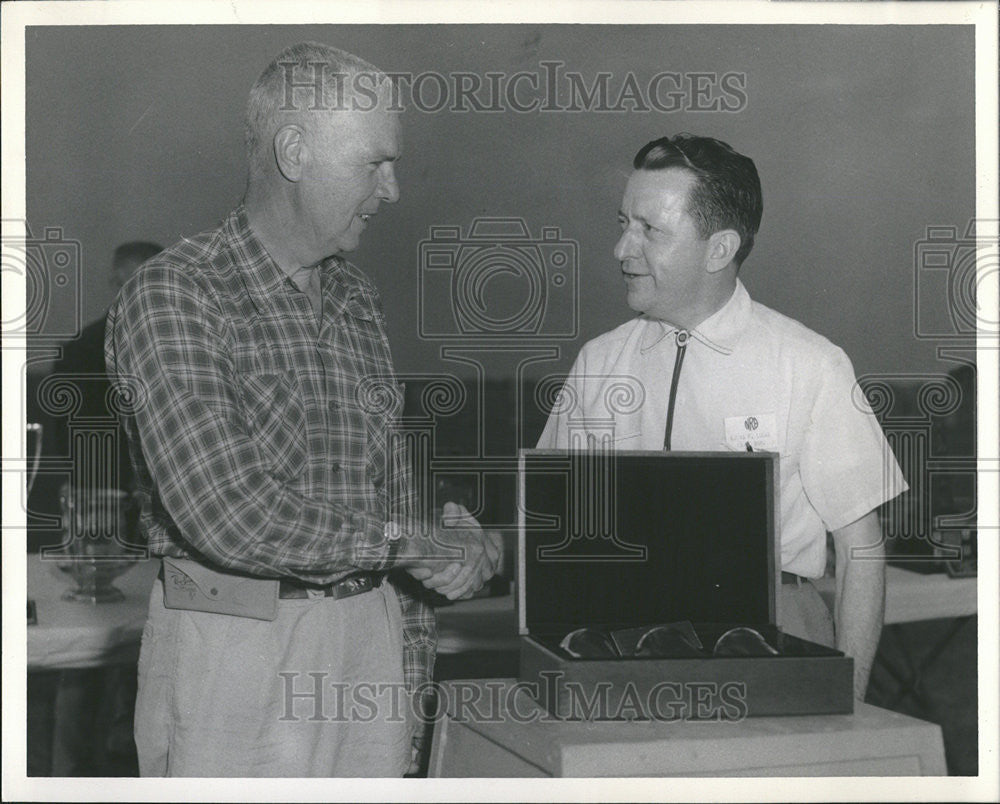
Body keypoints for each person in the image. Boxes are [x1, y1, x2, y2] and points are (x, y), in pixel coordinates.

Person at [105, 42, 501, 777]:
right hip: (235, 647)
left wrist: (460, 542)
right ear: (294, 151)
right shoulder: (176, 294)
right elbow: (230, 513)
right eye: (374, 163)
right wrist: (407, 545)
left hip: (368, 637)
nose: (392, 190)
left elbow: (389, 490)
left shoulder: (356, 297)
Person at [537, 134, 907, 700]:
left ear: (718, 249)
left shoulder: (810, 364)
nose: (620, 249)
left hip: (772, 640)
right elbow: (553, 530)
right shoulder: (599, 360)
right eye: (623, 223)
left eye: (649, 230)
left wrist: (846, 702)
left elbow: (862, 551)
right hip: (620, 640)